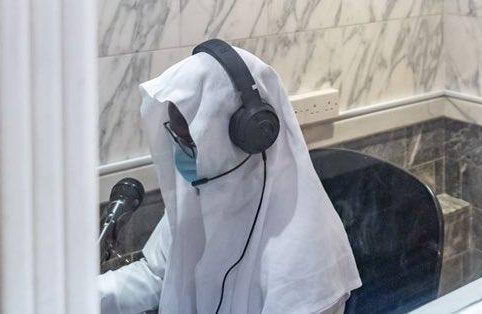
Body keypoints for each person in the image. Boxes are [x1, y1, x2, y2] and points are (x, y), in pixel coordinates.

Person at [99, 43, 361, 314]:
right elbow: (156, 275)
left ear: (247, 138)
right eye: (177, 138)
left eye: (193, 142)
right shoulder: (201, 192)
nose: (183, 154)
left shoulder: (304, 260)